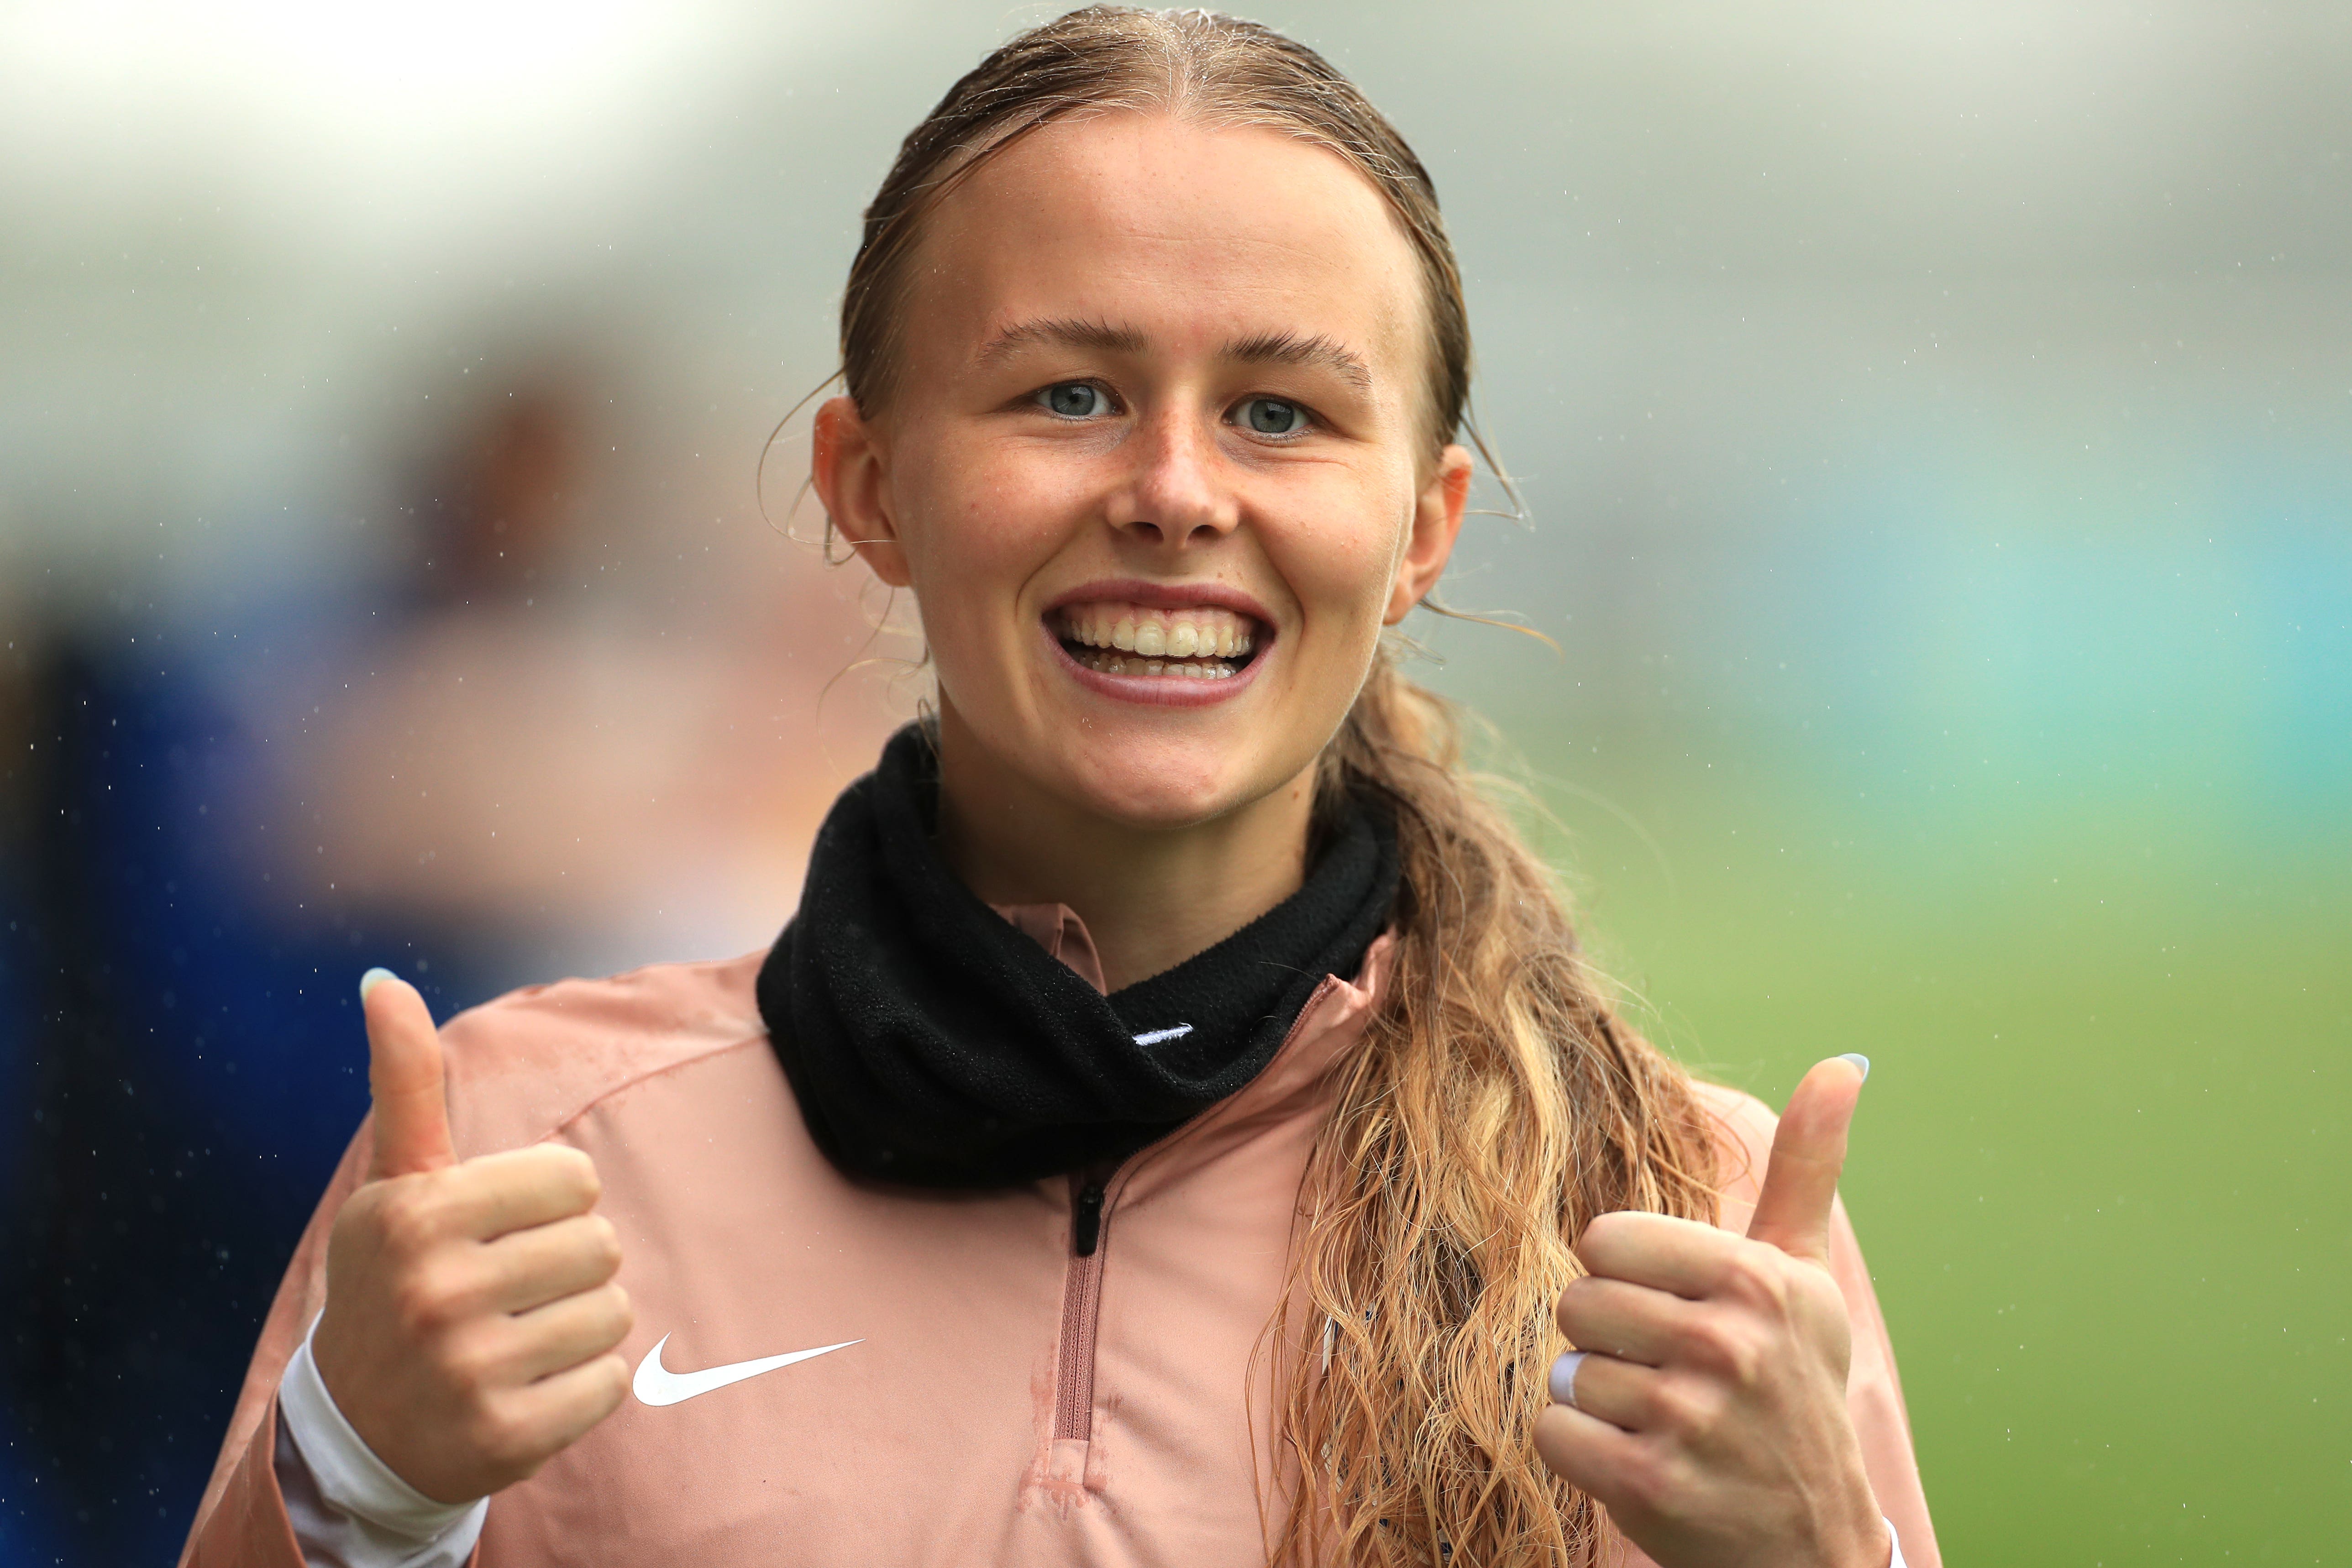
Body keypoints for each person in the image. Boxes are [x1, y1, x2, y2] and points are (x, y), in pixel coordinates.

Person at [180, 9, 1937, 1566]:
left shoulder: (1676, 1224)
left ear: (1421, 529)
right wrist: (361, 1495)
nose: (1176, 490)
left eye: (1278, 412)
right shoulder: (524, 1159)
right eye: (1072, 392)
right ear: (870, 488)